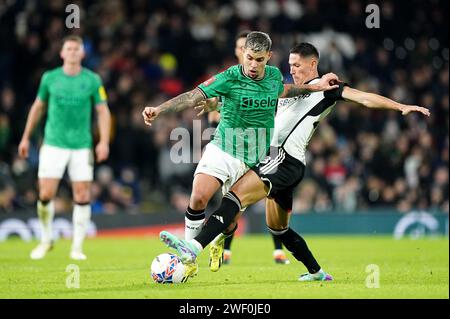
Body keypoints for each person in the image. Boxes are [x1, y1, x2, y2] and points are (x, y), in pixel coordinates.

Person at [159, 42, 431, 281]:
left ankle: (193, 248)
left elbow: (364, 98)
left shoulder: (327, 87)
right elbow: (254, 100)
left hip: (283, 158)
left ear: (313, 64)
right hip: (278, 161)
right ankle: (317, 273)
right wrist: (215, 105)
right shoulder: (292, 90)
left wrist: (400, 106)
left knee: (234, 197)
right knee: (279, 228)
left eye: (298, 65)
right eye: (289, 65)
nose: (293, 70)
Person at [143, 32, 339, 276]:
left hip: (252, 159)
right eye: (249, 58)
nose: (254, 65)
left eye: (259, 59)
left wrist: (314, 87)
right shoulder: (229, 77)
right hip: (223, 147)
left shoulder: (274, 77)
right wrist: (159, 109)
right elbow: (193, 95)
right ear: (243, 55)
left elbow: (285, 91)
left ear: (268, 57)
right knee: (199, 197)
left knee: (230, 221)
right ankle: (189, 261)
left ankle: (214, 241)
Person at [18, 35, 111, 260]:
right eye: (68, 48)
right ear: (61, 53)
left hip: (81, 146)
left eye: (75, 49)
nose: (71, 52)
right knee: (46, 194)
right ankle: (46, 239)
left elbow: (103, 111)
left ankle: (77, 248)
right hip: (53, 143)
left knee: (81, 194)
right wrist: (25, 137)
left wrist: (104, 141)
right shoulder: (50, 78)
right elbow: (37, 108)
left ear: (82, 53)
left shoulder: (92, 80)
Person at [209, 30, 290, 266]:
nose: (243, 51)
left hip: (267, 141)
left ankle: (278, 248)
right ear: (239, 52)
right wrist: (214, 107)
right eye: (239, 47)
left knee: (274, 190)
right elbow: (215, 109)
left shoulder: (267, 76)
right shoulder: (229, 78)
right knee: (232, 197)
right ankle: (225, 249)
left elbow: (282, 94)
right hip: (233, 144)